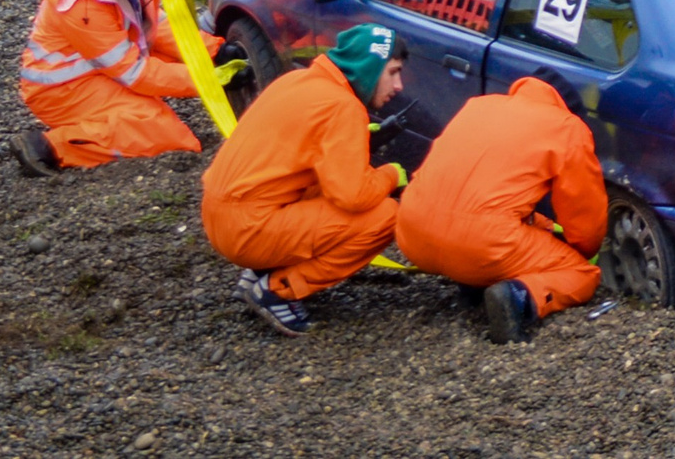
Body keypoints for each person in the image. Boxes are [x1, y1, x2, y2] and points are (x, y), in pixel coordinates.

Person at [201, 23, 408, 336]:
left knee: (315, 185)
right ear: (369, 67)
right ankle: (278, 289)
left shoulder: (298, 80)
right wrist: (392, 175)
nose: (399, 85)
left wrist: (357, 141)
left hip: (219, 216)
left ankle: (259, 270)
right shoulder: (343, 107)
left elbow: (295, 148)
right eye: (393, 72)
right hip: (249, 230)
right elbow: (354, 196)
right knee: (386, 216)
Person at [10, 0, 233, 176]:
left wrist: (214, 50)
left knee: (184, 67)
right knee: (163, 134)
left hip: (96, 70)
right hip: (64, 91)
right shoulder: (84, 6)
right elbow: (136, 74)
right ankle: (48, 147)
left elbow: (154, 24)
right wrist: (213, 81)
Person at [394, 73, 608, 343]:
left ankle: (472, 285)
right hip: (479, 246)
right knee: (582, 273)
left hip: (411, 230)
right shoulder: (567, 128)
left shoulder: (478, 105)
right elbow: (584, 219)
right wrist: (582, 251)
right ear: (570, 110)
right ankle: (519, 297)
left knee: (500, 219)